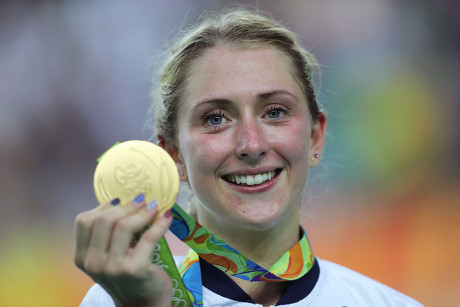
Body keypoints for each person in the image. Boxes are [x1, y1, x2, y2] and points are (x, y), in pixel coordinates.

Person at [75, 7, 424, 307]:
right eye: (215, 119)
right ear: (174, 155)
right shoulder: (113, 302)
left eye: (274, 112)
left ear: (315, 136)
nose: (251, 144)